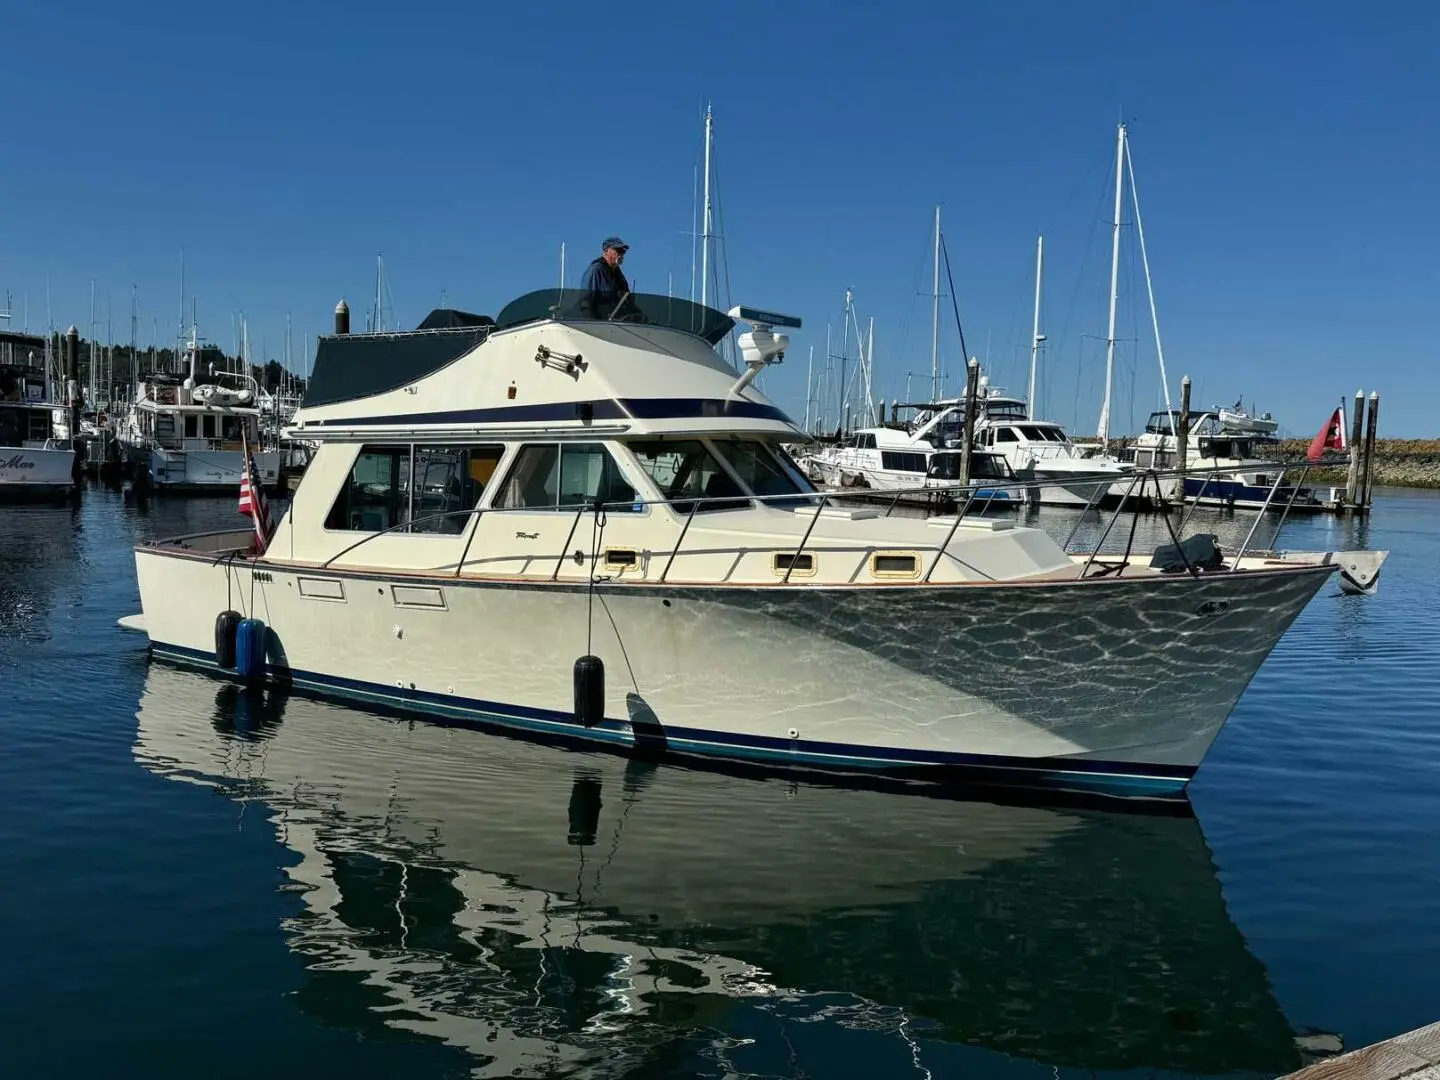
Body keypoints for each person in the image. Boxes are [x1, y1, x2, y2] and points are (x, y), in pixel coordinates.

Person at [579, 236, 636, 320]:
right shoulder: (596, 270)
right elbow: (585, 302)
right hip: (602, 325)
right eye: (618, 250)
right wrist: (593, 325)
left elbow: (626, 302)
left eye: (623, 251)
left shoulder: (619, 275)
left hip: (617, 324)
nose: (621, 254)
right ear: (606, 251)